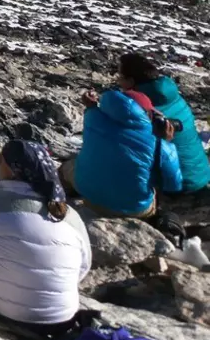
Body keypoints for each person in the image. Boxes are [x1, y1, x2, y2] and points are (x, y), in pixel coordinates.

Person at [0, 138, 92, 329]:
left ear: (13, 169)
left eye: (0, 158)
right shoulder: (69, 214)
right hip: (61, 316)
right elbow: (84, 266)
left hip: (0, 308)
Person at [66, 85, 184, 217]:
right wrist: (165, 142)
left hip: (88, 194)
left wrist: (91, 105)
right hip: (132, 208)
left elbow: (93, 109)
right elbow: (174, 185)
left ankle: (63, 193)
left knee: (68, 166)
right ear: (147, 115)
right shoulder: (160, 145)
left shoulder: (92, 118)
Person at [121, 53, 209, 194]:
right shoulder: (172, 96)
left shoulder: (138, 107)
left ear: (131, 81)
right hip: (200, 175)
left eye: (120, 77)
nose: (118, 81)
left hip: (176, 183)